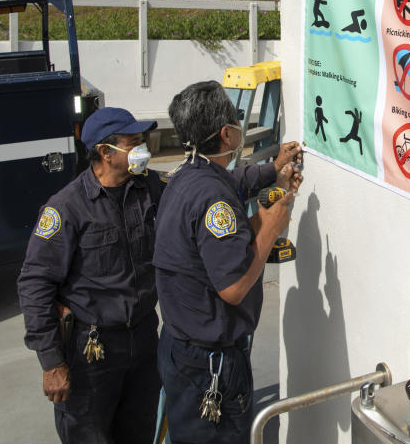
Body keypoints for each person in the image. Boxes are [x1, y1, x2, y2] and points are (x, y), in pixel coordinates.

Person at [154, 80, 302, 443]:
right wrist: (271, 226)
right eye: (236, 120)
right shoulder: (212, 199)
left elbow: (232, 183)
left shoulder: (186, 176)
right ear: (226, 134)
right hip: (209, 366)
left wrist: (275, 169)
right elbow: (234, 288)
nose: (240, 125)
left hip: (182, 349)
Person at [17, 107, 163, 443]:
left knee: (139, 432)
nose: (143, 149)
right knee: (90, 435)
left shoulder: (149, 187)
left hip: (142, 340)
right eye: (134, 142)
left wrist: (268, 172)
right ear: (105, 152)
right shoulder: (66, 207)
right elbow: (35, 283)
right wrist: (52, 362)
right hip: (92, 352)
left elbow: (194, 190)